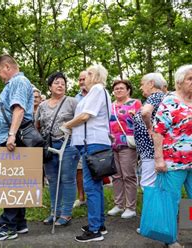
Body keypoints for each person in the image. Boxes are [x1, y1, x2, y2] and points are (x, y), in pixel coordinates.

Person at [152, 64, 192, 247]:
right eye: (190, 78)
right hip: (173, 163)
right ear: (179, 82)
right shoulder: (170, 101)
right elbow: (158, 131)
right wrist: (158, 159)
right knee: (170, 201)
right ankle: (170, 240)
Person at [0, 55, 34, 242]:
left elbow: (19, 109)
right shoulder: (13, 83)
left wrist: (11, 134)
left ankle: (7, 226)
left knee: (9, 184)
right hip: (5, 139)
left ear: (7, 67)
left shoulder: (19, 81)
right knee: (16, 182)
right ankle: (19, 222)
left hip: (10, 140)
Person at [62, 64, 112, 242]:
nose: (85, 76)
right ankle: (99, 224)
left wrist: (67, 125)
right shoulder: (96, 92)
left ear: (96, 76)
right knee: (95, 185)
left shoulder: (97, 89)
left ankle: (94, 230)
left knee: (91, 186)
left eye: (89, 73)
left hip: (92, 142)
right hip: (91, 142)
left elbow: (86, 116)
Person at [35, 72, 80, 226]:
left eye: (62, 83)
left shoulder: (72, 102)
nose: (60, 85)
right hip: (48, 146)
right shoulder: (42, 105)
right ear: (49, 87)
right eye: (56, 83)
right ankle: (54, 212)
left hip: (68, 144)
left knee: (67, 178)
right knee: (53, 179)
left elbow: (81, 122)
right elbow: (37, 125)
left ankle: (66, 213)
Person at [107, 80, 142, 218]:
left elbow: (142, 122)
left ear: (128, 90)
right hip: (112, 143)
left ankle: (130, 207)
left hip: (128, 144)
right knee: (116, 176)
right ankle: (119, 204)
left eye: (122, 88)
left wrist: (135, 117)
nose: (118, 90)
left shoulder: (135, 103)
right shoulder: (110, 106)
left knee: (129, 175)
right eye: (116, 88)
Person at [133, 72, 166, 188]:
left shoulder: (155, 96)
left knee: (148, 184)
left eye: (142, 84)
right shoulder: (159, 98)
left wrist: (149, 127)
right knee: (156, 183)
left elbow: (146, 112)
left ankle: (151, 206)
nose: (141, 87)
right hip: (150, 150)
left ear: (151, 83)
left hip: (151, 151)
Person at [73, 70, 88, 208]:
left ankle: (94, 197)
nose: (82, 82)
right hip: (78, 139)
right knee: (79, 169)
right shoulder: (75, 99)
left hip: (94, 139)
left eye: (84, 78)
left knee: (96, 168)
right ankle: (81, 197)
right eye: (80, 79)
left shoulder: (97, 95)